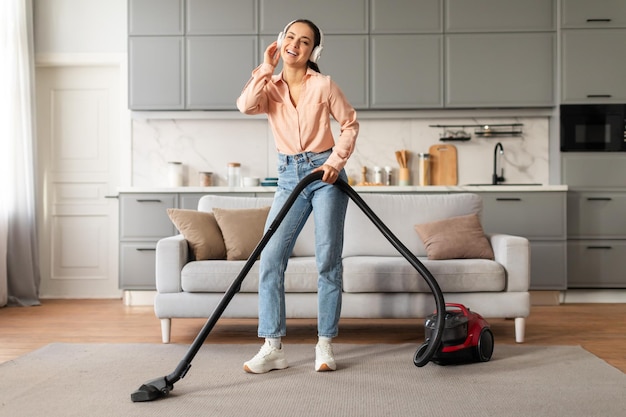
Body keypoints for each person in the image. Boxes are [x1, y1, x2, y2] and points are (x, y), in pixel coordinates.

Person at [236, 19, 359, 373]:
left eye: (304, 41)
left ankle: (325, 345)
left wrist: (336, 161)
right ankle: (272, 346)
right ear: (281, 41)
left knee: (327, 260)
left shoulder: (324, 85)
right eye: (290, 37)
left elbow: (349, 124)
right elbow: (244, 105)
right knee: (271, 257)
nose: (295, 45)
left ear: (313, 51)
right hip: (289, 176)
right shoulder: (269, 87)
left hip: (325, 175)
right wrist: (266, 65)